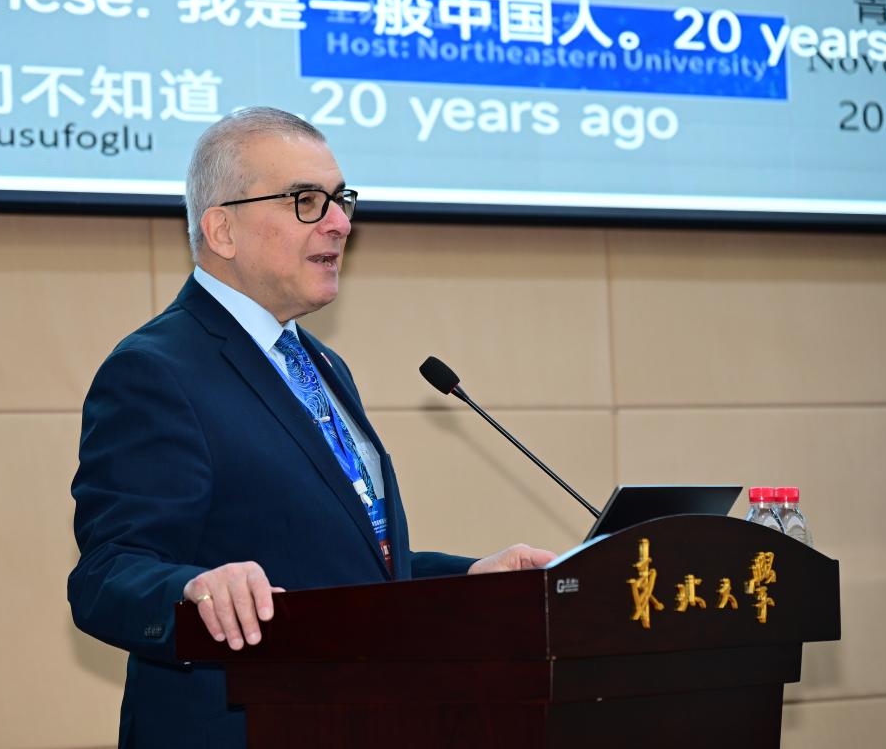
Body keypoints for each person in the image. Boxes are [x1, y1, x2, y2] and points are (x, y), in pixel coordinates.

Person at [68, 107, 556, 748]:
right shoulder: (156, 371)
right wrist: (191, 589)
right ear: (222, 229)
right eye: (306, 201)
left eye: (340, 200)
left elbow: (341, 566)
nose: (341, 223)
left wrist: (468, 582)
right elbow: (106, 574)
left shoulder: (319, 363)